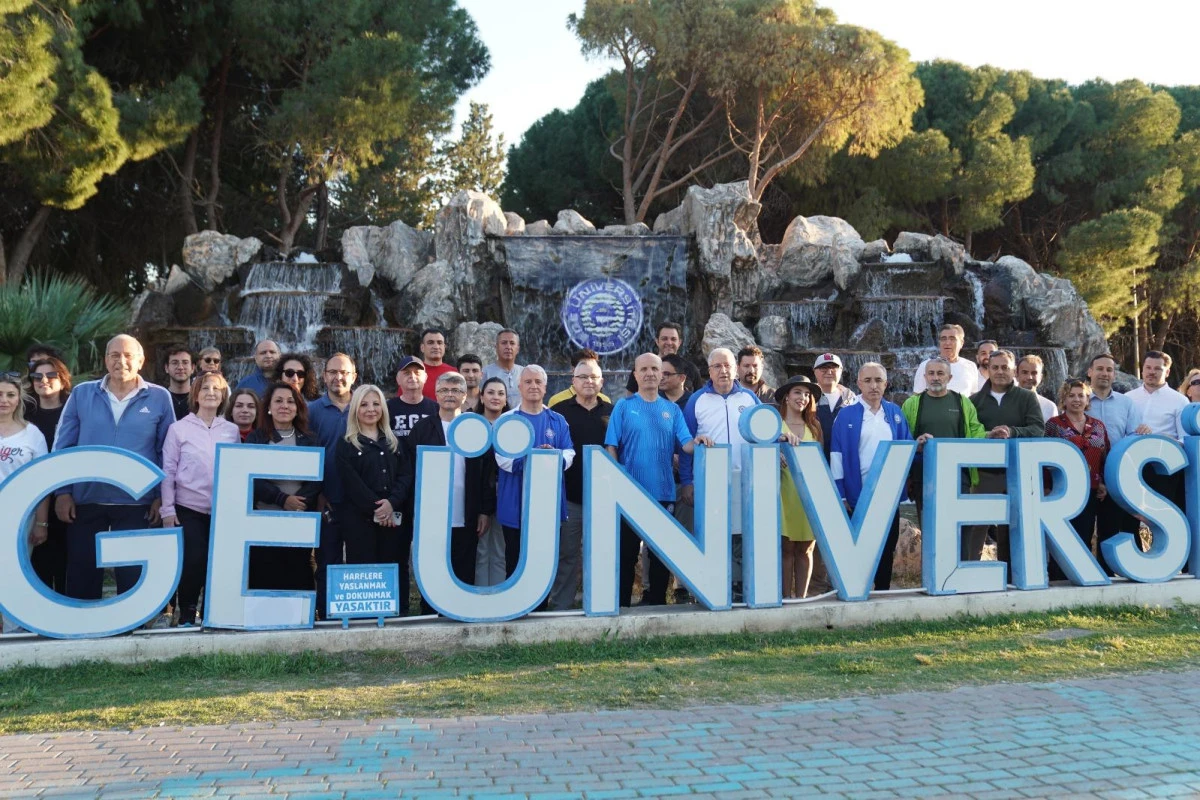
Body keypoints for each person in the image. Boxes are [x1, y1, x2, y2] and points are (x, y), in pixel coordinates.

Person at [53, 334, 174, 602]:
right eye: (115, 355)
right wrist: (63, 492)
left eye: (129, 355)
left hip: (137, 502)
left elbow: (167, 452)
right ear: (106, 359)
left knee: (132, 577)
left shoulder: (159, 397)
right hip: (86, 499)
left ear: (141, 361)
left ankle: (132, 638)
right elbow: (64, 446)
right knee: (82, 575)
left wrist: (161, 499)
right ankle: (81, 633)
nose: (122, 361)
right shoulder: (82, 393)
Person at [606, 353, 711, 607]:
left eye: (657, 369)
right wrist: (617, 484)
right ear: (635, 374)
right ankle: (621, 604)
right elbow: (611, 446)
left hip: (663, 491)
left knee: (660, 553)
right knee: (627, 552)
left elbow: (685, 444)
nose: (651, 373)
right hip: (630, 491)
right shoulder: (623, 406)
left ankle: (656, 603)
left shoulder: (672, 410)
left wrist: (699, 441)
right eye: (645, 369)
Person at [160, 372, 239, 626]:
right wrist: (167, 509)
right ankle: (186, 612)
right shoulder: (178, 429)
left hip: (222, 510)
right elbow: (168, 471)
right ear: (196, 394)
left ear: (223, 396)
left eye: (217, 389)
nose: (211, 393)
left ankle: (210, 611)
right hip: (188, 507)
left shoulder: (231, 430)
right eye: (205, 388)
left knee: (217, 561)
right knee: (193, 559)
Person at [681, 347, 760, 601]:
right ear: (709, 371)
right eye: (717, 366)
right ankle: (711, 588)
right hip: (710, 482)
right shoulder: (696, 400)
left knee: (741, 535)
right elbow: (686, 445)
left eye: (727, 365)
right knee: (714, 535)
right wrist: (687, 481)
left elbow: (764, 436)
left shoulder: (749, 399)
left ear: (736, 368)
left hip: (746, 481)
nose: (723, 370)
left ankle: (738, 588)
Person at [830, 363, 914, 591]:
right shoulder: (847, 414)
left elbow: (906, 448)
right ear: (858, 384)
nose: (873, 385)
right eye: (867, 381)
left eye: (878, 380)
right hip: (857, 494)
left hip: (888, 493)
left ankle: (883, 591)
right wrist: (841, 494)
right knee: (860, 546)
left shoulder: (895, 413)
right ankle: (859, 590)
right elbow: (836, 455)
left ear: (886, 384)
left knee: (888, 546)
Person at [410, 373, 496, 591]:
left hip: (467, 512)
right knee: (432, 570)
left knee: (465, 568)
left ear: (465, 396)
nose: (449, 395)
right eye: (444, 390)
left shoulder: (477, 427)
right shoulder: (422, 429)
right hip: (432, 514)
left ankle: (463, 616)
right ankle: (430, 614)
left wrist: (485, 511)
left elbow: (488, 472)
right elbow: (410, 471)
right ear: (436, 395)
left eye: (456, 390)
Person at [495, 366, 575, 579]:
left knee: (544, 562)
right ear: (519, 386)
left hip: (548, 504)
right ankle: (513, 609)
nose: (533, 386)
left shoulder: (558, 420)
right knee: (515, 559)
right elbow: (503, 460)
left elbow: (569, 453)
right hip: (515, 503)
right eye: (528, 382)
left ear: (545, 387)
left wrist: (554, 458)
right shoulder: (506, 420)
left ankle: (541, 609)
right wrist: (535, 459)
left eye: (538, 382)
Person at [968, 349, 1045, 563]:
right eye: (995, 367)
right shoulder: (973, 400)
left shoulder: (1027, 397)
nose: (1000, 371)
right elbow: (967, 433)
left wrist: (1013, 432)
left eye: (1005, 367)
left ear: (1013, 371)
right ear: (987, 370)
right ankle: (969, 572)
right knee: (976, 526)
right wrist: (987, 435)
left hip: (1017, 470)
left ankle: (1014, 574)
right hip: (984, 473)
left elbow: (1038, 429)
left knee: (1013, 526)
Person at [245, 383, 322, 591]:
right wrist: (282, 499)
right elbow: (251, 477)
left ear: (298, 407)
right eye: (278, 401)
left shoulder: (310, 440)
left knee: (298, 568)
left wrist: (298, 503)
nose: (284, 406)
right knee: (265, 569)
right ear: (268, 407)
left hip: (299, 516)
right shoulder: (257, 438)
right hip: (263, 517)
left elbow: (317, 479)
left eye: (290, 401)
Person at [550, 358, 613, 610]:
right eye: (583, 377)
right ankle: (560, 606)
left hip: (603, 498)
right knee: (566, 555)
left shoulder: (612, 410)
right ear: (573, 382)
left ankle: (598, 602)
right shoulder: (560, 412)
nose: (589, 381)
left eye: (593, 377)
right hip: (570, 498)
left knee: (600, 555)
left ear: (602, 382)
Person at [901, 356, 986, 541]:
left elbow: (975, 431)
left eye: (940, 373)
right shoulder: (912, 404)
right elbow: (903, 437)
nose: (935, 377)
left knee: (959, 525)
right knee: (929, 526)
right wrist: (917, 443)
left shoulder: (963, 402)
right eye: (931, 373)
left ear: (949, 377)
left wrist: (988, 436)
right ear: (924, 377)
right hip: (923, 473)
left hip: (958, 473)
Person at [335, 385, 411, 592]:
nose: (371, 409)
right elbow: (352, 483)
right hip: (360, 521)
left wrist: (392, 503)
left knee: (394, 568)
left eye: (376, 404)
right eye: (364, 404)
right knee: (362, 571)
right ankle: (364, 620)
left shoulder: (395, 442)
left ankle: (397, 618)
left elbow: (406, 476)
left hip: (393, 520)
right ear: (355, 409)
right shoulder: (345, 444)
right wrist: (379, 508)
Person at [1086, 353, 1148, 574]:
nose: (1105, 373)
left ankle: (1112, 574)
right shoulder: (1078, 399)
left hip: (1116, 475)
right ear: (1090, 372)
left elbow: (1132, 437)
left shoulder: (1126, 403)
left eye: (1109, 370)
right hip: (1085, 475)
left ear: (1114, 374)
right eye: (1100, 369)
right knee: (1083, 528)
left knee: (1113, 528)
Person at [1044, 379, 1110, 581]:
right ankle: (1057, 579)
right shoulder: (1054, 425)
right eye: (1071, 395)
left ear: (1087, 399)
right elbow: (1046, 457)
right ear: (1063, 399)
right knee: (1062, 536)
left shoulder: (1098, 425)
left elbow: (1105, 455)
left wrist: (1103, 482)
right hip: (1062, 490)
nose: (1076, 399)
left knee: (1085, 533)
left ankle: (1081, 577)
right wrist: (1046, 487)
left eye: (1081, 395)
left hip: (1090, 489)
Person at [307, 353, 357, 616]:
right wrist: (317, 494)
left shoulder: (364, 407)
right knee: (327, 560)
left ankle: (358, 612)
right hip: (325, 499)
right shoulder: (312, 410)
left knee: (361, 559)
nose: (339, 377)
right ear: (324, 375)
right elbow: (307, 456)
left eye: (344, 373)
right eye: (333, 372)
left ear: (354, 377)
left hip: (359, 500)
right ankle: (325, 614)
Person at [0, 373, 49, 633]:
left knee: (13, 572)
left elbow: (42, 482)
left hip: (21, 518)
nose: (4, 400)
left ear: (19, 399)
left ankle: (12, 628)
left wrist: (41, 522)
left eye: (10, 395)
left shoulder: (32, 434)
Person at [775, 375, 824, 599]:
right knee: (786, 549)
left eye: (807, 394)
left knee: (806, 548)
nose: (802, 397)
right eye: (797, 392)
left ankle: (801, 599)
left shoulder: (815, 426)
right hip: (784, 492)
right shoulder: (775, 424)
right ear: (786, 396)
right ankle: (786, 597)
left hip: (808, 494)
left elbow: (820, 462)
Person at [27, 357, 71, 594]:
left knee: (67, 560)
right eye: (37, 376)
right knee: (38, 561)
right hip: (33, 500)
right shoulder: (24, 416)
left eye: (51, 375)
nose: (44, 380)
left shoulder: (74, 412)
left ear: (63, 379)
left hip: (69, 497)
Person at [472, 376, 509, 587]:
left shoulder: (514, 425)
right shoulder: (471, 424)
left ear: (506, 399)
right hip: (478, 500)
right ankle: (479, 597)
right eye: (491, 392)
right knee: (481, 550)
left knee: (501, 550)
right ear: (482, 397)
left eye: (500, 393)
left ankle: (498, 597)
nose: (496, 397)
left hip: (506, 497)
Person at [623, 321, 700, 395]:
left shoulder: (691, 369)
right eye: (664, 339)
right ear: (657, 341)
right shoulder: (642, 367)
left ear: (679, 342)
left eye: (673, 339)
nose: (669, 343)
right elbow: (630, 395)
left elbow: (699, 397)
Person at [1126, 351, 1186, 441]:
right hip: (1130, 452)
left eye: (1157, 368)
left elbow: (1185, 438)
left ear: (1167, 372)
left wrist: (1167, 441)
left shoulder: (1180, 401)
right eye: (1148, 367)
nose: (1152, 372)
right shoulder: (1128, 398)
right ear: (1143, 370)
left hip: (1165, 452)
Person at [913, 324, 982, 396]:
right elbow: (916, 397)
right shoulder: (926, 365)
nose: (947, 343)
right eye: (943, 339)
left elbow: (974, 396)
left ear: (961, 343)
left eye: (952, 339)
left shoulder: (970, 366)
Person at [813, 353, 857, 458]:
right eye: (824, 368)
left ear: (841, 371)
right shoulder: (807, 398)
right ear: (814, 371)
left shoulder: (852, 399)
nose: (829, 372)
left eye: (834, 368)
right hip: (815, 460)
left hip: (846, 459)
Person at [387, 356, 439, 439]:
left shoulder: (436, 409)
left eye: (417, 373)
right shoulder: (387, 408)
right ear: (398, 379)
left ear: (425, 378)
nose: (412, 376)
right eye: (407, 373)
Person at [547, 350, 612, 407]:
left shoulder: (605, 400)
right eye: (582, 365)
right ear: (573, 370)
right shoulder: (556, 401)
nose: (589, 381)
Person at [482, 329, 523, 408]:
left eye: (512, 343)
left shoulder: (525, 373)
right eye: (504, 343)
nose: (508, 347)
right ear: (496, 347)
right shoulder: (485, 373)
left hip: (521, 419)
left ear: (518, 349)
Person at [1017, 354, 1058, 423]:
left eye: (1034, 373)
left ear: (1041, 377)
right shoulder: (1003, 403)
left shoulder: (1050, 407)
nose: (1029, 377)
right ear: (1016, 374)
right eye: (1025, 372)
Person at [418, 329, 457, 400]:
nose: (436, 347)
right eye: (430, 343)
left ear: (444, 347)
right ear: (422, 347)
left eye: (439, 343)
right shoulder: (414, 374)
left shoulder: (454, 373)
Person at [162, 344, 195, 420]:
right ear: (166, 368)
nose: (180, 367)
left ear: (193, 368)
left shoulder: (199, 399)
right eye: (174, 362)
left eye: (185, 362)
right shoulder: (161, 398)